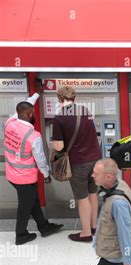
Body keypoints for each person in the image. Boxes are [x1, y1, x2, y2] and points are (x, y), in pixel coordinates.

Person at [4, 79, 63, 245]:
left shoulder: (11, 122)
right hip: (24, 176)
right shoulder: (33, 136)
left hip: (11, 174)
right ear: (29, 114)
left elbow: (25, 105)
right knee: (25, 205)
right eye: (32, 113)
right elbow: (40, 159)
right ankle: (20, 235)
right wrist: (46, 174)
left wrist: (37, 94)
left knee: (32, 199)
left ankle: (44, 226)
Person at [52, 86, 102, 242]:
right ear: (74, 98)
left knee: (82, 198)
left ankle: (86, 233)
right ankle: (94, 227)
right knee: (93, 193)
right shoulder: (85, 111)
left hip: (78, 162)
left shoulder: (59, 117)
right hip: (95, 159)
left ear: (59, 99)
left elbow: (59, 147)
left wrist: (52, 143)